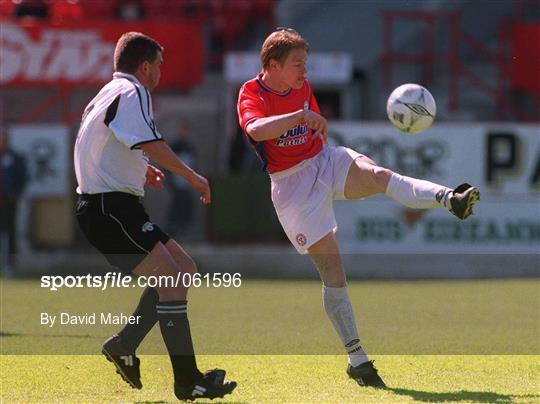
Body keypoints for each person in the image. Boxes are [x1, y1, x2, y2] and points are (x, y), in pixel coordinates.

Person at [236, 28, 480, 388]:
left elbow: (313, 125)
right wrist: (300, 119)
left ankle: (450, 199)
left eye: (306, 62)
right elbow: (256, 131)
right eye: (297, 63)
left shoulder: (301, 86)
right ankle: (357, 359)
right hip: (291, 187)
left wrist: (314, 124)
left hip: (324, 161)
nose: (305, 71)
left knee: (379, 174)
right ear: (273, 65)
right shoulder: (251, 92)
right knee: (333, 273)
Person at [74, 32, 236, 400]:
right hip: (108, 207)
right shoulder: (135, 92)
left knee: (184, 269)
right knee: (172, 277)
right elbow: (148, 140)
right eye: (159, 65)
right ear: (144, 66)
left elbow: (96, 143)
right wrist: (191, 175)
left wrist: (140, 168)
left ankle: (125, 343)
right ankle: (187, 380)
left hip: (112, 206)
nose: (160, 73)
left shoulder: (107, 93)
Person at [0, 129, 28, 276]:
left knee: (11, 233)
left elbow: (23, 177)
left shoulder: (15, 158)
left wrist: (15, 193)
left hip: (9, 203)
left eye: (4, 138)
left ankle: (10, 265)